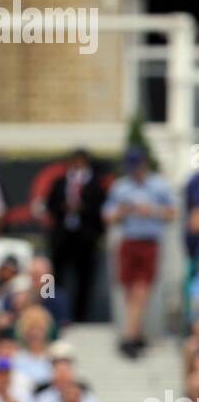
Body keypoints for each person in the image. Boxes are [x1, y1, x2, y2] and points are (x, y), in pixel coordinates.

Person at [103, 147, 176, 359]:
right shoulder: (121, 187)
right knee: (129, 291)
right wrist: (124, 211)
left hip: (149, 243)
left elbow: (173, 212)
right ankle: (137, 334)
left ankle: (129, 336)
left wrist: (150, 210)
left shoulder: (159, 186)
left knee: (141, 289)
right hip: (129, 241)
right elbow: (108, 215)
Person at [45, 149, 106, 324]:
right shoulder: (60, 183)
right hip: (62, 238)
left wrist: (82, 208)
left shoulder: (95, 185)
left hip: (85, 239)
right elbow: (50, 205)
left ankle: (81, 317)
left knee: (84, 280)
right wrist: (64, 207)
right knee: (52, 278)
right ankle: (53, 313)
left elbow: (99, 210)